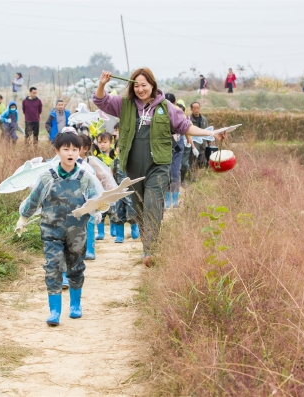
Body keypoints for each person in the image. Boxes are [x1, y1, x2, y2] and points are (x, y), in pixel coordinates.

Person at [93, 68, 226, 266]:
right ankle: (149, 244)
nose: (140, 89)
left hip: (158, 165)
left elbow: (184, 126)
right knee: (138, 208)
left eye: (144, 85)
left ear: (153, 85)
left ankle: (150, 251)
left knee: (153, 204)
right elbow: (101, 101)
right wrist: (102, 83)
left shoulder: (165, 107)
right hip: (132, 167)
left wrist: (210, 134)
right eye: (136, 85)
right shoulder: (125, 105)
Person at [16, 129, 103, 326]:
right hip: (51, 232)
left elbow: (94, 200)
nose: (70, 153)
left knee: (76, 267)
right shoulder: (47, 177)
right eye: (66, 149)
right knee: (53, 269)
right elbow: (34, 200)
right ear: (57, 151)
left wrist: (97, 212)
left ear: (80, 151)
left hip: (77, 233)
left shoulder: (85, 178)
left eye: (75, 149)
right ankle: (54, 311)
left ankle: (75, 305)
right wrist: (23, 218)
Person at [110, 143, 140, 243]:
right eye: (119, 147)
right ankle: (119, 236)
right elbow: (109, 177)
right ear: (115, 150)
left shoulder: (133, 162)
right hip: (118, 193)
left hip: (130, 192)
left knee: (132, 212)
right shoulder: (114, 163)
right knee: (117, 214)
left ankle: (135, 229)